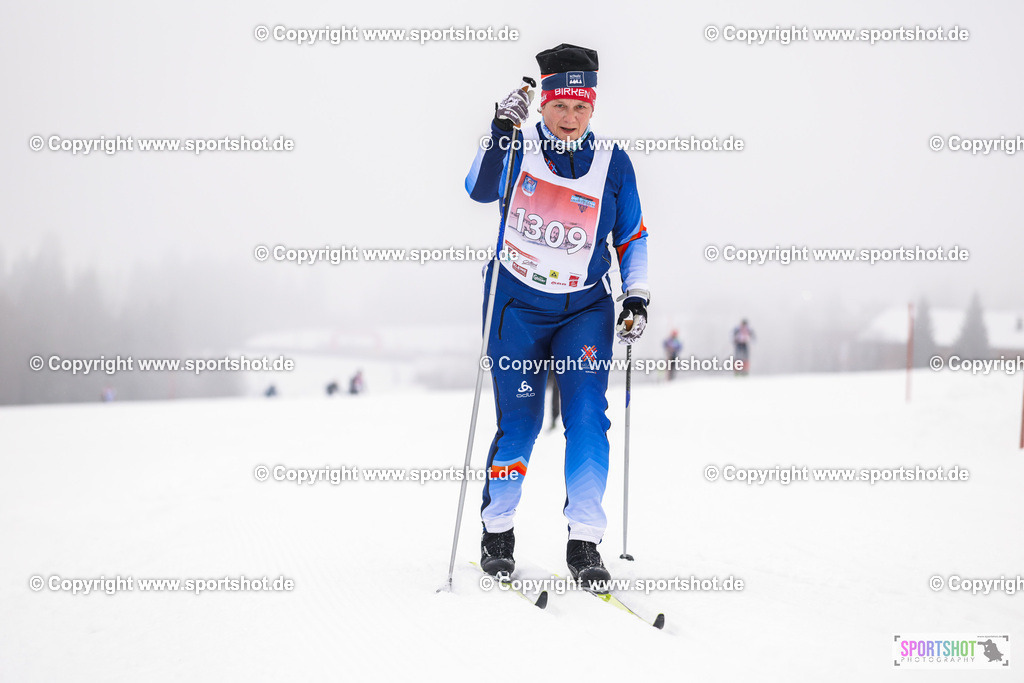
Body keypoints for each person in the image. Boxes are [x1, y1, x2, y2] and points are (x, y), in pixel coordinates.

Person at [465, 43, 650, 588]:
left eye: (581, 107)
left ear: (592, 108)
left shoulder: (615, 163)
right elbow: (478, 189)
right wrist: (501, 128)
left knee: (588, 418)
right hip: (517, 306)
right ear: (542, 104)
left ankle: (585, 542)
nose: (570, 118)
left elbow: (632, 233)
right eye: (560, 106)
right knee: (519, 424)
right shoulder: (517, 150)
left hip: (584, 309)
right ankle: (497, 529)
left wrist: (635, 294)